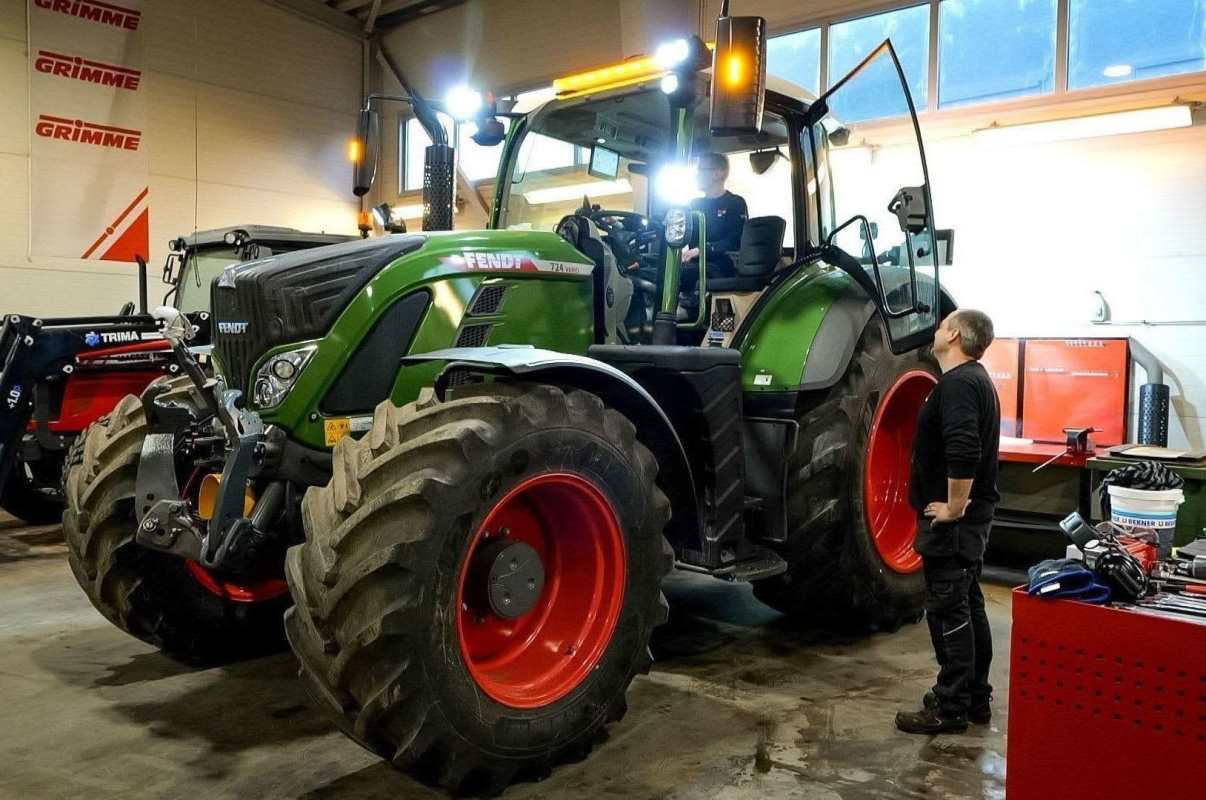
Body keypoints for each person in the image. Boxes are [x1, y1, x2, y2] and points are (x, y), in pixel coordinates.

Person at [895, 309, 1001, 736]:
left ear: (954, 334)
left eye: (941, 326)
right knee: (968, 604)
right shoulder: (975, 381)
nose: (936, 330)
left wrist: (954, 507)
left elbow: (964, 447)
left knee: (947, 610)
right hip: (971, 520)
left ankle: (951, 706)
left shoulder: (958, 384)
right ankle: (974, 696)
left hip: (955, 523)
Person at [682, 152, 747, 285]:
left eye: (700, 170)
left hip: (719, 264)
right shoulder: (694, 204)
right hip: (693, 263)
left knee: (676, 276)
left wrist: (702, 250)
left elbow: (734, 241)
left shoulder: (735, 203)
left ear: (717, 174)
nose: (696, 175)